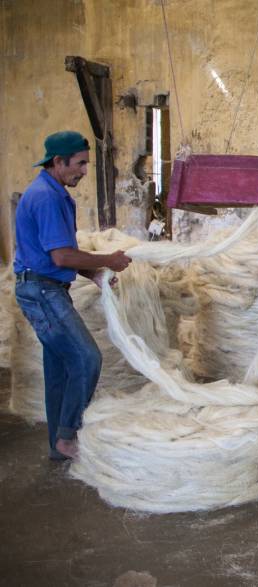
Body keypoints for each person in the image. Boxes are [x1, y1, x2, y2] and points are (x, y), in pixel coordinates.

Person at [12, 130, 132, 460]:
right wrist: (109, 260)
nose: (83, 170)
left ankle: (58, 444)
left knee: (61, 368)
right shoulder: (46, 197)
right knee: (86, 357)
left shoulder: (53, 193)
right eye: (79, 164)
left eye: (85, 163)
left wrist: (94, 273)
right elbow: (61, 257)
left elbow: (60, 252)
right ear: (58, 161)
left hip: (44, 287)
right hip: (41, 291)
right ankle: (68, 435)